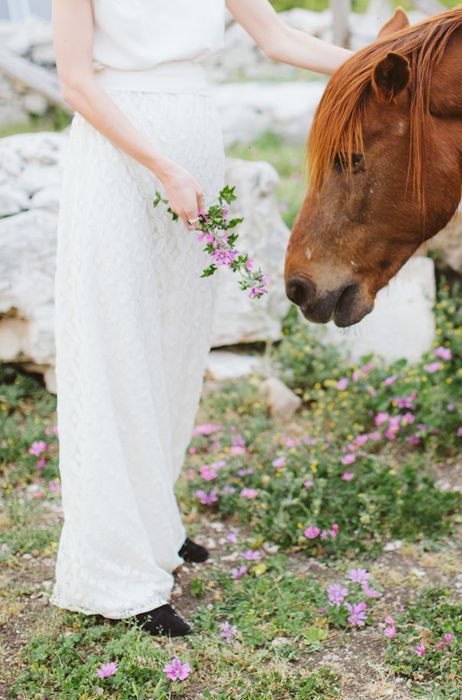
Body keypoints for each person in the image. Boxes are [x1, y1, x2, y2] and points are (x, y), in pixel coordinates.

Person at [50, 0, 351, 637]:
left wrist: (375, 63)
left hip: (194, 147)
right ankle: (116, 571)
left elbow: (276, 36)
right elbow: (74, 80)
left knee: (175, 341)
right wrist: (162, 167)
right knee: (117, 338)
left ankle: (154, 523)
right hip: (122, 157)